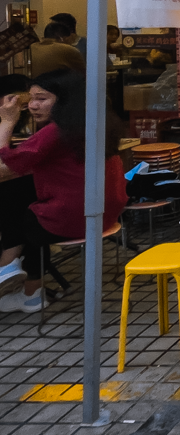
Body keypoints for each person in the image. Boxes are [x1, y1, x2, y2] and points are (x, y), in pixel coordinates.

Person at [0, 69, 128, 313]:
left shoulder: (56, 130)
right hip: (106, 211)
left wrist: (7, 121)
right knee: (24, 196)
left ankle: (11, 270)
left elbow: (10, 163)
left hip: (77, 217)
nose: (33, 106)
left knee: (18, 202)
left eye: (42, 99)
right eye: (31, 99)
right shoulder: (96, 121)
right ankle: (22, 281)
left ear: (65, 100)